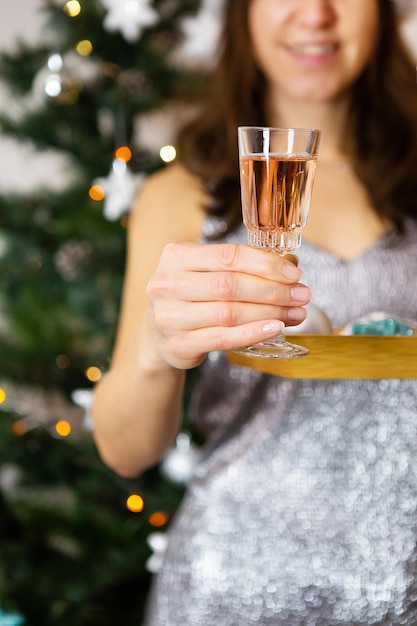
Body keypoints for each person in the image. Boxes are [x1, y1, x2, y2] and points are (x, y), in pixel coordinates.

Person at [91, 0, 417, 623]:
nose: (314, 14)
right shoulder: (182, 195)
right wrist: (156, 350)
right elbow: (125, 450)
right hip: (232, 589)